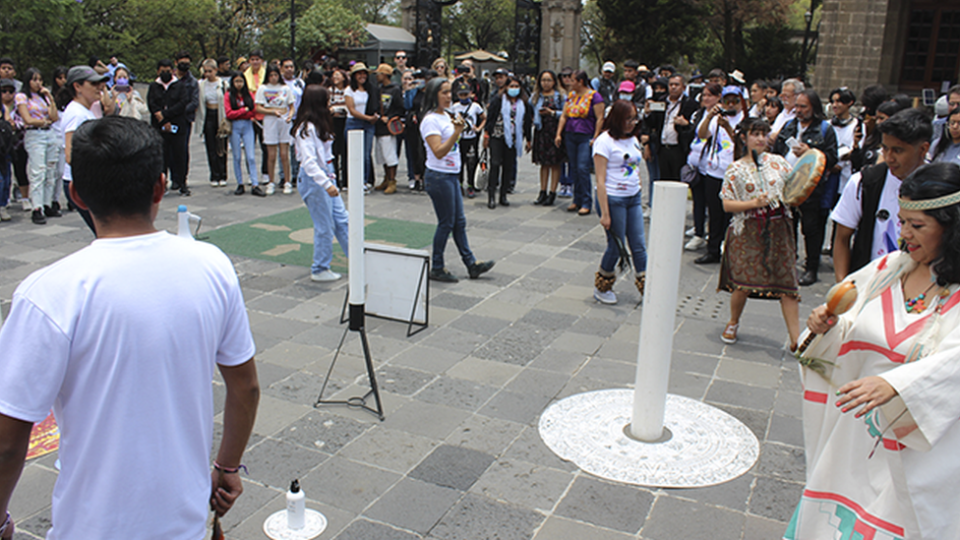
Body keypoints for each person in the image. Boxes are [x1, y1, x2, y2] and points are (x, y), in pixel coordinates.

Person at [0, 116, 259, 540]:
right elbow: (245, 386)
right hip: (186, 521)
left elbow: (8, 442)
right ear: (160, 186)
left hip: (92, 526)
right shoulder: (212, 266)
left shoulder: (49, 293)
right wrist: (227, 466)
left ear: (76, 193)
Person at [791, 161, 960, 540]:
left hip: (912, 452)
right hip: (852, 438)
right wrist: (827, 327)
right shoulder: (887, 269)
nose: (905, 235)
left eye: (918, 226)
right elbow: (849, 325)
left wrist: (899, 387)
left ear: (951, 228)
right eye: (902, 222)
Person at [717, 118, 799, 346]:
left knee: (789, 285)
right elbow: (727, 204)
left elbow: (795, 188)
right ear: (744, 137)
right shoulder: (736, 168)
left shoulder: (780, 162)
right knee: (743, 284)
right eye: (755, 134)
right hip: (749, 231)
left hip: (780, 229)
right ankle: (733, 321)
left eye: (764, 134)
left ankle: (796, 339)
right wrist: (754, 203)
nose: (761, 138)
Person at [831, 108, 932, 281]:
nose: (889, 157)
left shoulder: (942, 187)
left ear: (923, 149)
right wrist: (844, 286)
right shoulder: (864, 182)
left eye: (898, 150)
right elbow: (842, 238)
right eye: (885, 148)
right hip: (871, 287)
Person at [419, 77, 495, 283]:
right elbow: (438, 151)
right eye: (443, 92)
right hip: (438, 175)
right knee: (446, 222)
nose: (448, 96)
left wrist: (459, 129)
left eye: (448, 92)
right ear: (433, 94)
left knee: (459, 222)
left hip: (451, 175)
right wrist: (456, 133)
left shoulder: (448, 115)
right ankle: (437, 266)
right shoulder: (430, 120)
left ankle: (471, 264)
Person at [772, 89, 838, 286]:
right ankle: (788, 263)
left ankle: (811, 268)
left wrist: (811, 152)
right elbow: (776, 151)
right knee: (787, 227)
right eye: (797, 106)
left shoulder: (825, 129)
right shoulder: (789, 126)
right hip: (786, 186)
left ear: (814, 108)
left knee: (811, 229)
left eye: (803, 107)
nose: (799, 110)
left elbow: (832, 158)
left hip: (811, 189)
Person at [591, 100, 647, 305]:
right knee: (616, 246)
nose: (632, 123)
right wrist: (605, 213)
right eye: (628, 119)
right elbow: (600, 179)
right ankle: (603, 285)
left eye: (634, 118)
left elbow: (635, 164)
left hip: (633, 198)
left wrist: (638, 184)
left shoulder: (632, 138)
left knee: (639, 245)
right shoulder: (604, 142)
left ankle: (646, 286)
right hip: (613, 199)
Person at [293, 85, 349, 282]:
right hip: (315, 180)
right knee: (325, 225)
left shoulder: (319, 123)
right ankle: (319, 268)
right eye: (326, 100)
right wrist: (326, 184)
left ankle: (357, 259)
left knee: (342, 220)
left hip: (326, 174)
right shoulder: (306, 128)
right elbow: (309, 162)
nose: (330, 104)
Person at [693, 85, 744, 265]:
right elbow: (701, 134)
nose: (730, 104)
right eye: (726, 100)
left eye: (734, 101)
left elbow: (742, 145)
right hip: (714, 171)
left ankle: (729, 250)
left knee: (730, 215)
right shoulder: (716, 117)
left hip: (734, 174)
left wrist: (728, 127)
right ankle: (712, 249)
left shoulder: (745, 119)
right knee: (714, 214)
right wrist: (709, 116)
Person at [61, 65, 109, 234]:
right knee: (107, 233)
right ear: (77, 86)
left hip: (87, 182)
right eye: (93, 84)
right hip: (82, 184)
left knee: (107, 234)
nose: (99, 87)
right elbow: (70, 154)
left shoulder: (84, 111)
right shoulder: (76, 114)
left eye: (100, 83)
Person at [556, 70, 605, 215]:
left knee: (583, 167)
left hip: (585, 135)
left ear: (580, 81)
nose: (569, 83)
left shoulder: (594, 96)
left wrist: (596, 136)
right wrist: (559, 133)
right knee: (574, 167)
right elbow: (564, 115)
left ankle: (586, 201)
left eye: (572, 80)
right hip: (571, 134)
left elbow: (600, 117)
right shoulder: (571, 96)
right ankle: (576, 199)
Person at [16, 67, 59, 225]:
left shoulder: (43, 97)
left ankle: (47, 204)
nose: (38, 83)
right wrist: (44, 121)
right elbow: (27, 119)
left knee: (51, 170)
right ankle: (37, 207)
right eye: (34, 79)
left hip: (49, 133)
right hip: (35, 134)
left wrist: (50, 98)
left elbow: (54, 117)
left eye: (40, 79)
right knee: (38, 171)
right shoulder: (22, 97)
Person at [484, 75, 532, 209]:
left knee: (508, 166)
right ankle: (491, 195)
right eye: (511, 86)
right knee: (494, 164)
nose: (514, 89)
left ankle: (503, 195)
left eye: (517, 86)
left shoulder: (524, 103)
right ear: (506, 88)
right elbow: (490, 118)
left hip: (513, 139)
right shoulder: (498, 100)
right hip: (497, 136)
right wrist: (486, 135)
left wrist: (529, 139)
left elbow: (527, 122)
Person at [684, 82, 722, 252]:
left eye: (710, 95)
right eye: (704, 95)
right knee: (697, 201)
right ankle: (698, 232)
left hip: (713, 166)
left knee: (713, 205)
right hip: (696, 162)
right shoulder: (700, 114)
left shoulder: (721, 116)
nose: (706, 98)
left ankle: (714, 237)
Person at [255, 64, 294, 195]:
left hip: (283, 120)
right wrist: (272, 111)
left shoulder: (285, 88)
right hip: (270, 120)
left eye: (276, 75)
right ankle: (271, 181)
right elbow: (258, 107)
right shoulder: (262, 88)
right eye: (271, 75)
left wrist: (289, 116)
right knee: (271, 154)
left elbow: (291, 106)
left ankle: (287, 181)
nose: (273, 78)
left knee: (284, 154)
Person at [224, 71, 264, 197]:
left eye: (241, 81)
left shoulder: (249, 94)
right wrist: (243, 110)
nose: (239, 84)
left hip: (247, 125)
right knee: (236, 156)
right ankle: (240, 183)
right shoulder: (228, 95)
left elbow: (252, 111)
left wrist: (242, 111)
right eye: (236, 81)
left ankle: (255, 183)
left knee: (251, 156)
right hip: (235, 126)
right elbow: (229, 113)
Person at [531, 69, 565, 206]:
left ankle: (552, 192)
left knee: (555, 163)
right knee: (543, 163)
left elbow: (565, 113)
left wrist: (552, 113)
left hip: (555, 130)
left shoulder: (560, 96)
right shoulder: (535, 96)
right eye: (543, 80)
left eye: (549, 80)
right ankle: (542, 191)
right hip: (541, 131)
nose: (546, 83)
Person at [344, 63, 380, 190]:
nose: (362, 76)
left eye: (364, 73)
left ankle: (364, 180)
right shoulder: (349, 90)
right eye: (359, 73)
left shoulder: (371, 89)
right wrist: (368, 118)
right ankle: (354, 180)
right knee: (354, 153)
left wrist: (374, 117)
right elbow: (352, 110)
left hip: (368, 123)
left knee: (366, 154)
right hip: (354, 122)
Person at [450, 81, 485, 198]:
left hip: (471, 138)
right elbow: (449, 118)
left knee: (471, 162)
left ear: (470, 94)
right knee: (459, 161)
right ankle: (459, 183)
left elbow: (484, 117)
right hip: (459, 138)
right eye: (461, 95)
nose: (464, 97)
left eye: (466, 94)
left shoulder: (475, 106)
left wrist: (479, 128)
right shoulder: (455, 106)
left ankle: (470, 184)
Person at [372, 63, 403, 194]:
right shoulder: (379, 89)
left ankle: (392, 180)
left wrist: (390, 117)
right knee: (382, 155)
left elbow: (400, 107)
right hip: (379, 126)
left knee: (390, 155)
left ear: (384, 75)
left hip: (389, 127)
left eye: (379, 74)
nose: (377, 77)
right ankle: (385, 178)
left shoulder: (395, 89)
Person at [198, 59, 228, 188]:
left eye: (210, 71)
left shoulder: (223, 84)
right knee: (210, 146)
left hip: (220, 115)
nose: (208, 74)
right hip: (208, 114)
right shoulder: (201, 85)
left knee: (221, 145)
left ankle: (223, 174)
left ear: (216, 70)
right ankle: (214, 174)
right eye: (205, 71)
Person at [328, 69, 349, 188]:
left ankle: (346, 180)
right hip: (333, 122)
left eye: (338, 75)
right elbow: (328, 106)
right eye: (334, 76)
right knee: (334, 152)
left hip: (345, 121)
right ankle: (335, 178)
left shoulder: (348, 90)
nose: (335, 78)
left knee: (345, 151)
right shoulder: (330, 91)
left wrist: (337, 109)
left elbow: (348, 106)